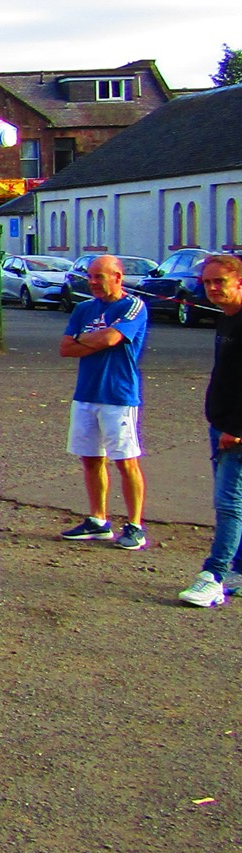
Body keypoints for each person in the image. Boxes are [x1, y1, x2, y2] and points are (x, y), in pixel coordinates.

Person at [57, 253, 151, 548]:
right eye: (91, 276)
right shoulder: (83, 308)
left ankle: (135, 525)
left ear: (117, 278)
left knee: (125, 461)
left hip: (117, 396)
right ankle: (98, 519)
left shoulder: (133, 306)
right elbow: (65, 348)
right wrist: (96, 339)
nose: (93, 282)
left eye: (100, 276)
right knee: (90, 458)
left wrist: (86, 340)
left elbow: (111, 340)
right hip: (85, 394)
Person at [179, 253, 242, 607]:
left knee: (228, 504)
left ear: (239, 283)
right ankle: (239, 570)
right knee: (236, 502)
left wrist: (235, 428)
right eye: (207, 283)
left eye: (220, 282)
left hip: (234, 430)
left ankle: (214, 575)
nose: (213, 289)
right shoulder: (227, 319)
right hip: (220, 424)